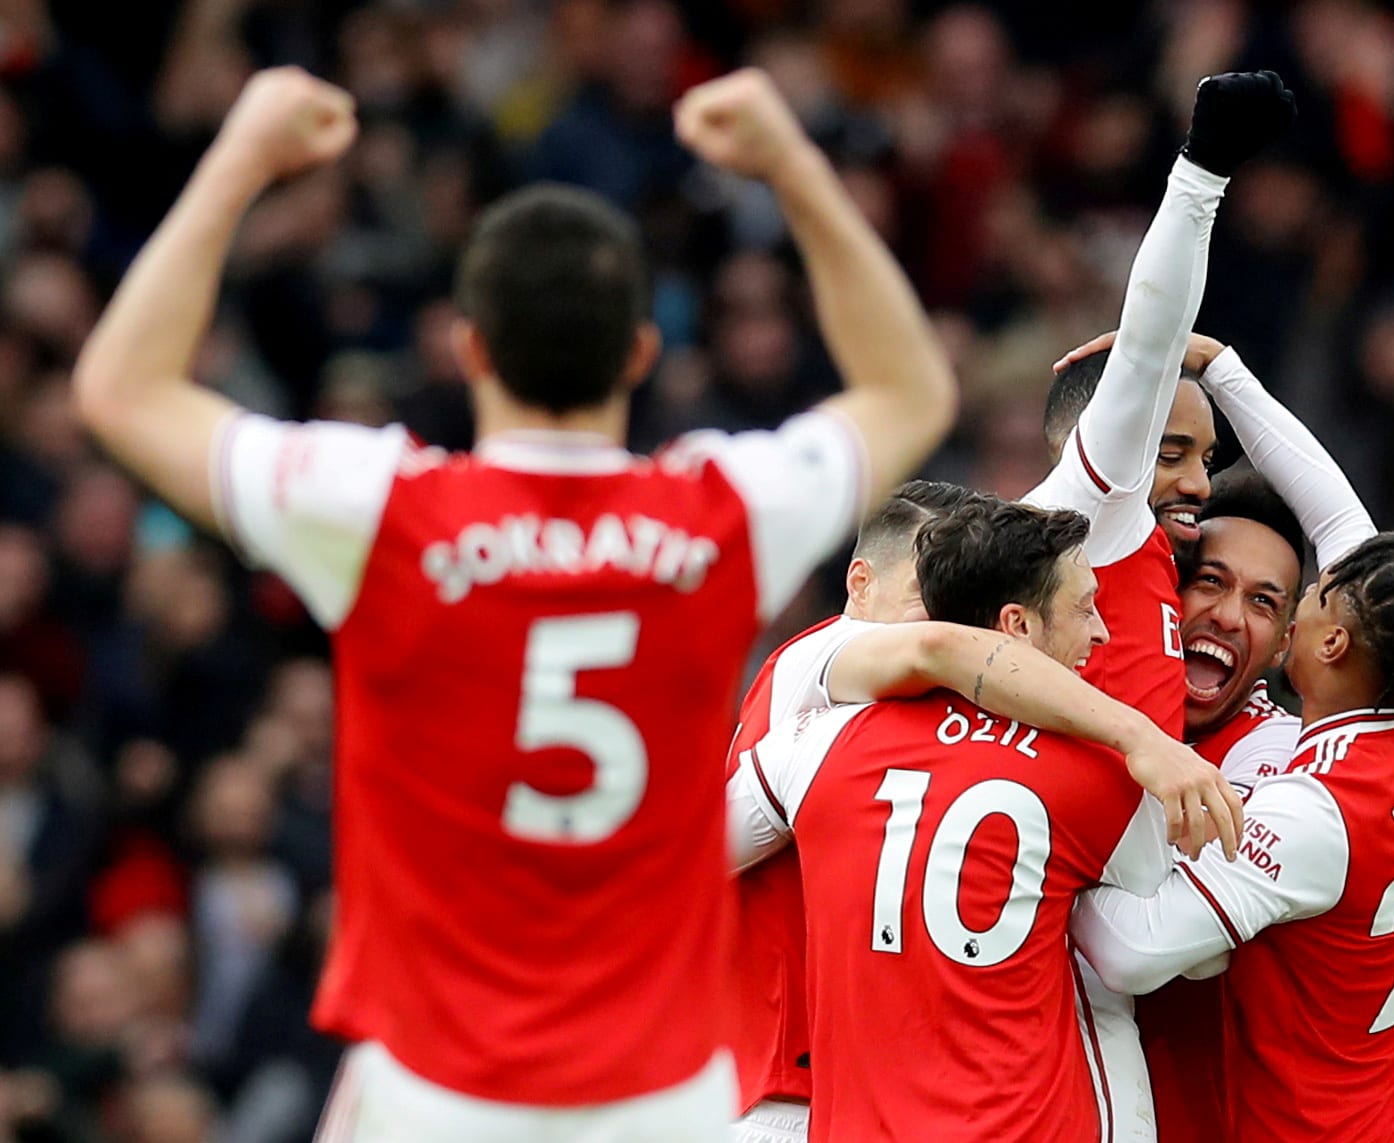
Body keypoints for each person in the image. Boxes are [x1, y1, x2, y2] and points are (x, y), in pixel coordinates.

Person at [72, 66, 957, 1140]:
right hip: (657, 1088)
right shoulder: (720, 515)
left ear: (468, 348)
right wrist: (790, 163)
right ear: (641, 352)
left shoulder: (381, 510)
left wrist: (243, 155)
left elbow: (120, 389)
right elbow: (910, 389)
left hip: (433, 1088)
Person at [725, 481, 1239, 1142]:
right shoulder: (1102, 777)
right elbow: (1152, 950)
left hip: (846, 1117)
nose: (1102, 631)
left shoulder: (819, 740)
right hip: (1018, 1123)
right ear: (1015, 626)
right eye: (1085, 607)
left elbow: (699, 850)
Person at [1027, 70, 1294, 1135]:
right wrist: (1202, 172)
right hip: (1063, 949)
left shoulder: (1130, 557)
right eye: (1170, 452)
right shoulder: (1090, 513)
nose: (1194, 482)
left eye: (1204, 459)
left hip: (1089, 948)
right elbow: (1143, 344)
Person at [1074, 530, 1394, 1142]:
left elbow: (1128, 952)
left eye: (1314, 593)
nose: (1306, 597)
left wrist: (1054, 861)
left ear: (1333, 642)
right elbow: (1355, 540)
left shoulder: (1312, 811)